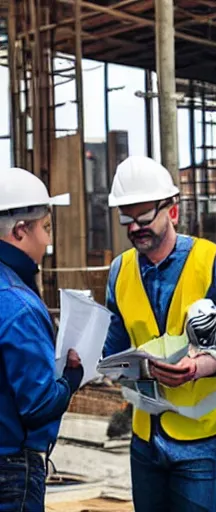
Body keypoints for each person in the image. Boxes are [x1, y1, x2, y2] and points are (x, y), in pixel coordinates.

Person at [103, 156, 216, 512]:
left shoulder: (211, 261)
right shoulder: (119, 271)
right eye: (127, 218)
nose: (134, 227)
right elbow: (112, 349)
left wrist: (198, 366)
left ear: (172, 212)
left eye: (144, 218)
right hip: (145, 434)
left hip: (201, 437)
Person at [0, 167, 84, 512]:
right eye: (46, 228)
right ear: (21, 230)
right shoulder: (18, 304)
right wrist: (72, 378)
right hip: (11, 471)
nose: (48, 240)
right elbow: (37, 406)